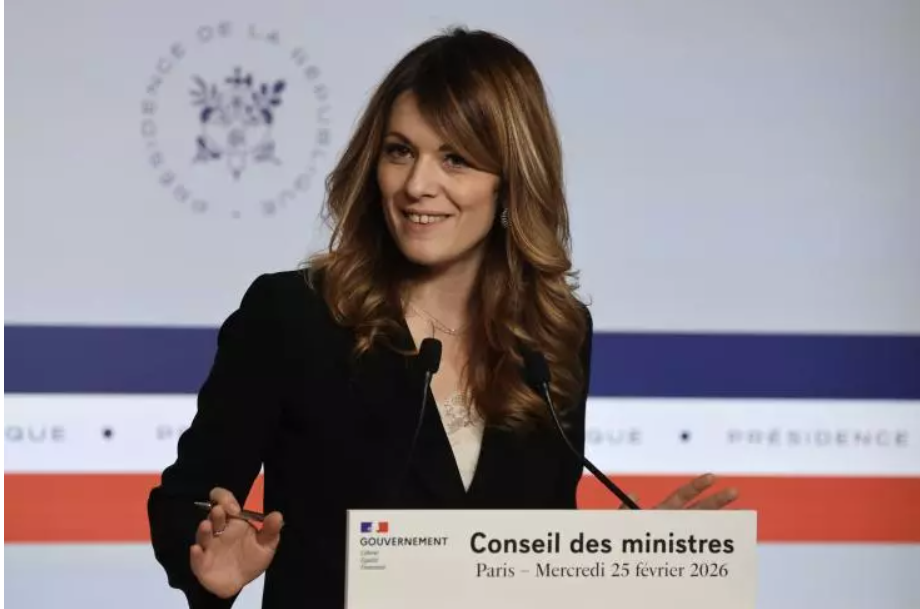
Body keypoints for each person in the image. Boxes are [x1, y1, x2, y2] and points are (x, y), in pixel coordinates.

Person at [147, 26, 739, 609]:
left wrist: (619, 565)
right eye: (400, 152)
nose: (417, 185)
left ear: (510, 180)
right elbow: (185, 502)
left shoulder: (555, 334)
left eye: (455, 159)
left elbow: (530, 551)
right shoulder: (293, 315)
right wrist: (209, 560)